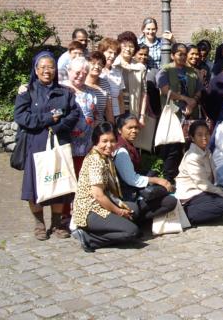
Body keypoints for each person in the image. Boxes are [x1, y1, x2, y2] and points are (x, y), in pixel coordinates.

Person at [14, 51, 80, 240]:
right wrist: (47, 118)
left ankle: (58, 223)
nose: (46, 71)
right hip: (35, 145)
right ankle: (39, 224)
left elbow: (74, 114)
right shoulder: (27, 92)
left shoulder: (65, 93)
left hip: (58, 142)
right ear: (35, 70)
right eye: (42, 67)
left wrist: (58, 125)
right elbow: (21, 117)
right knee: (35, 188)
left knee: (59, 184)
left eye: (50, 67)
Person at [71, 122, 140, 252]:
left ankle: (110, 229)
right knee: (132, 232)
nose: (109, 145)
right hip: (90, 210)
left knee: (134, 210)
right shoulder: (96, 161)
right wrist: (119, 211)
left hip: (100, 204)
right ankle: (89, 238)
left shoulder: (105, 157)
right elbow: (98, 195)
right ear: (96, 141)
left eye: (112, 141)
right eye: (104, 141)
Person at [113, 114, 177, 223]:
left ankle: (138, 219)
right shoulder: (122, 151)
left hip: (135, 192)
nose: (134, 131)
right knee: (138, 210)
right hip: (126, 196)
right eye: (130, 128)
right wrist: (158, 180)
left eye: (136, 128)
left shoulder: (129, 146)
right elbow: (132, 179)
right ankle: (135, 219)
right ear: (119, 130)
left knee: (170, 201)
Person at [175, 121, 223, 225]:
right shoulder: (192, 157)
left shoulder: (207, 151)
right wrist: (220, 192)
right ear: (192, 137)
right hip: (190, 194)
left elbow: (212, 178)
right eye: (200, 135)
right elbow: (202, 184)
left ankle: (205, 211)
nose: (204, 137)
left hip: (202, 191)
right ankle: (185, 214)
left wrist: (221, 191)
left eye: (207, 134)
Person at [158, 43, 202, 180]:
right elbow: (165, 90)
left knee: (191, 147)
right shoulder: (164, 70)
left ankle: (190, 177)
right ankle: (169, 179)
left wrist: (193, 101)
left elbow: (199, 90)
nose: (183, 57)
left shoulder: (193, 72)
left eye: (184, 54)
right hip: (174, 116)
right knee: (173, 148)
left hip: (191, 115)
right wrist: (185, 99)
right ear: (172, 55)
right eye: (179, 54)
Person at [63, 57, 97, 174]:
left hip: (86, 144)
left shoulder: (91, 92)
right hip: (66, 144)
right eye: (77, 72)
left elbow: (95, 117)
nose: (81, 76)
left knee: (82, 177)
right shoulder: (60, 89)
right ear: (69, 71)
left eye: (84, 73)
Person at [117, 31, 148, 127]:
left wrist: (142, 116)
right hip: (116, 111)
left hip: (133, 111)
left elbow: (144, 93)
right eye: (125, 45)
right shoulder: (113, 65)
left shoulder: (140, 67)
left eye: (131, 46)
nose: (128, 49)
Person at [98, 37, 125, 119]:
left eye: (115, 53)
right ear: (102, 52)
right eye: (110, 52)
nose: (112, 56)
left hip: (116, 115)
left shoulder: (118, 72)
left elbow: (120, 98)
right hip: (100, 115)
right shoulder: (96, 71)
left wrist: (122, 118)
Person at [85, 51, 114, 124]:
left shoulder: (105, 83)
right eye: (93, 63)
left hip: (100, 128)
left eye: (100, 64)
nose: (97, 67)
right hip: (83, 129)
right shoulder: (81, 83)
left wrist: (112, 128)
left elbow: (108, 110)